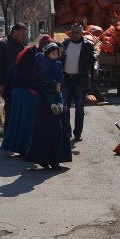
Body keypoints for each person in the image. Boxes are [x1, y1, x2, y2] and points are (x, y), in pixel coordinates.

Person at [24, 40, 73, 169]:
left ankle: (56, 159)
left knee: (60, 129)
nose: (55, 55)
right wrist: (49, 87)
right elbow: (34, 81)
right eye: (53, 53)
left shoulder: (57, 65)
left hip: (57, 100)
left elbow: (60, 81)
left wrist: (59, 91)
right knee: (45, 130)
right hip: (44, 102)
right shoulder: (39, 63)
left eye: (57, 53)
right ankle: (42, 158)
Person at [0, 43, 40, 156]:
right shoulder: (34, 62)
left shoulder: (18, 64)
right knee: (27, 123)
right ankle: (26, 148)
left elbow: (10, 81)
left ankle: (15, 146)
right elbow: (34, 80)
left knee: (17, 121)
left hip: (17, 95)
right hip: (28, 95)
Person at [60, 23, 97, 143]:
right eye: (73, 32)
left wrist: (95, 67)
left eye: (77, 33)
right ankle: (67, 131)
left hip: (80, 81)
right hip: (66, 80)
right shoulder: (65, 44)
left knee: (79, 109)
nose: (75, 35)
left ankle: (78, 133)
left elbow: (94, 58)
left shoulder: (88, 45)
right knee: (65, 108)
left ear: (82, 33)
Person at [0, 23, 29, 118]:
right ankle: (8, 131)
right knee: (10, 111)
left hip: (19, 85)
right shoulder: (2, 44)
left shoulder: (21, 46)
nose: (25, 37)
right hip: (7, 85)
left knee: (18, 112)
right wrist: (0, 85)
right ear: (15, 32)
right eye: (23, 34)